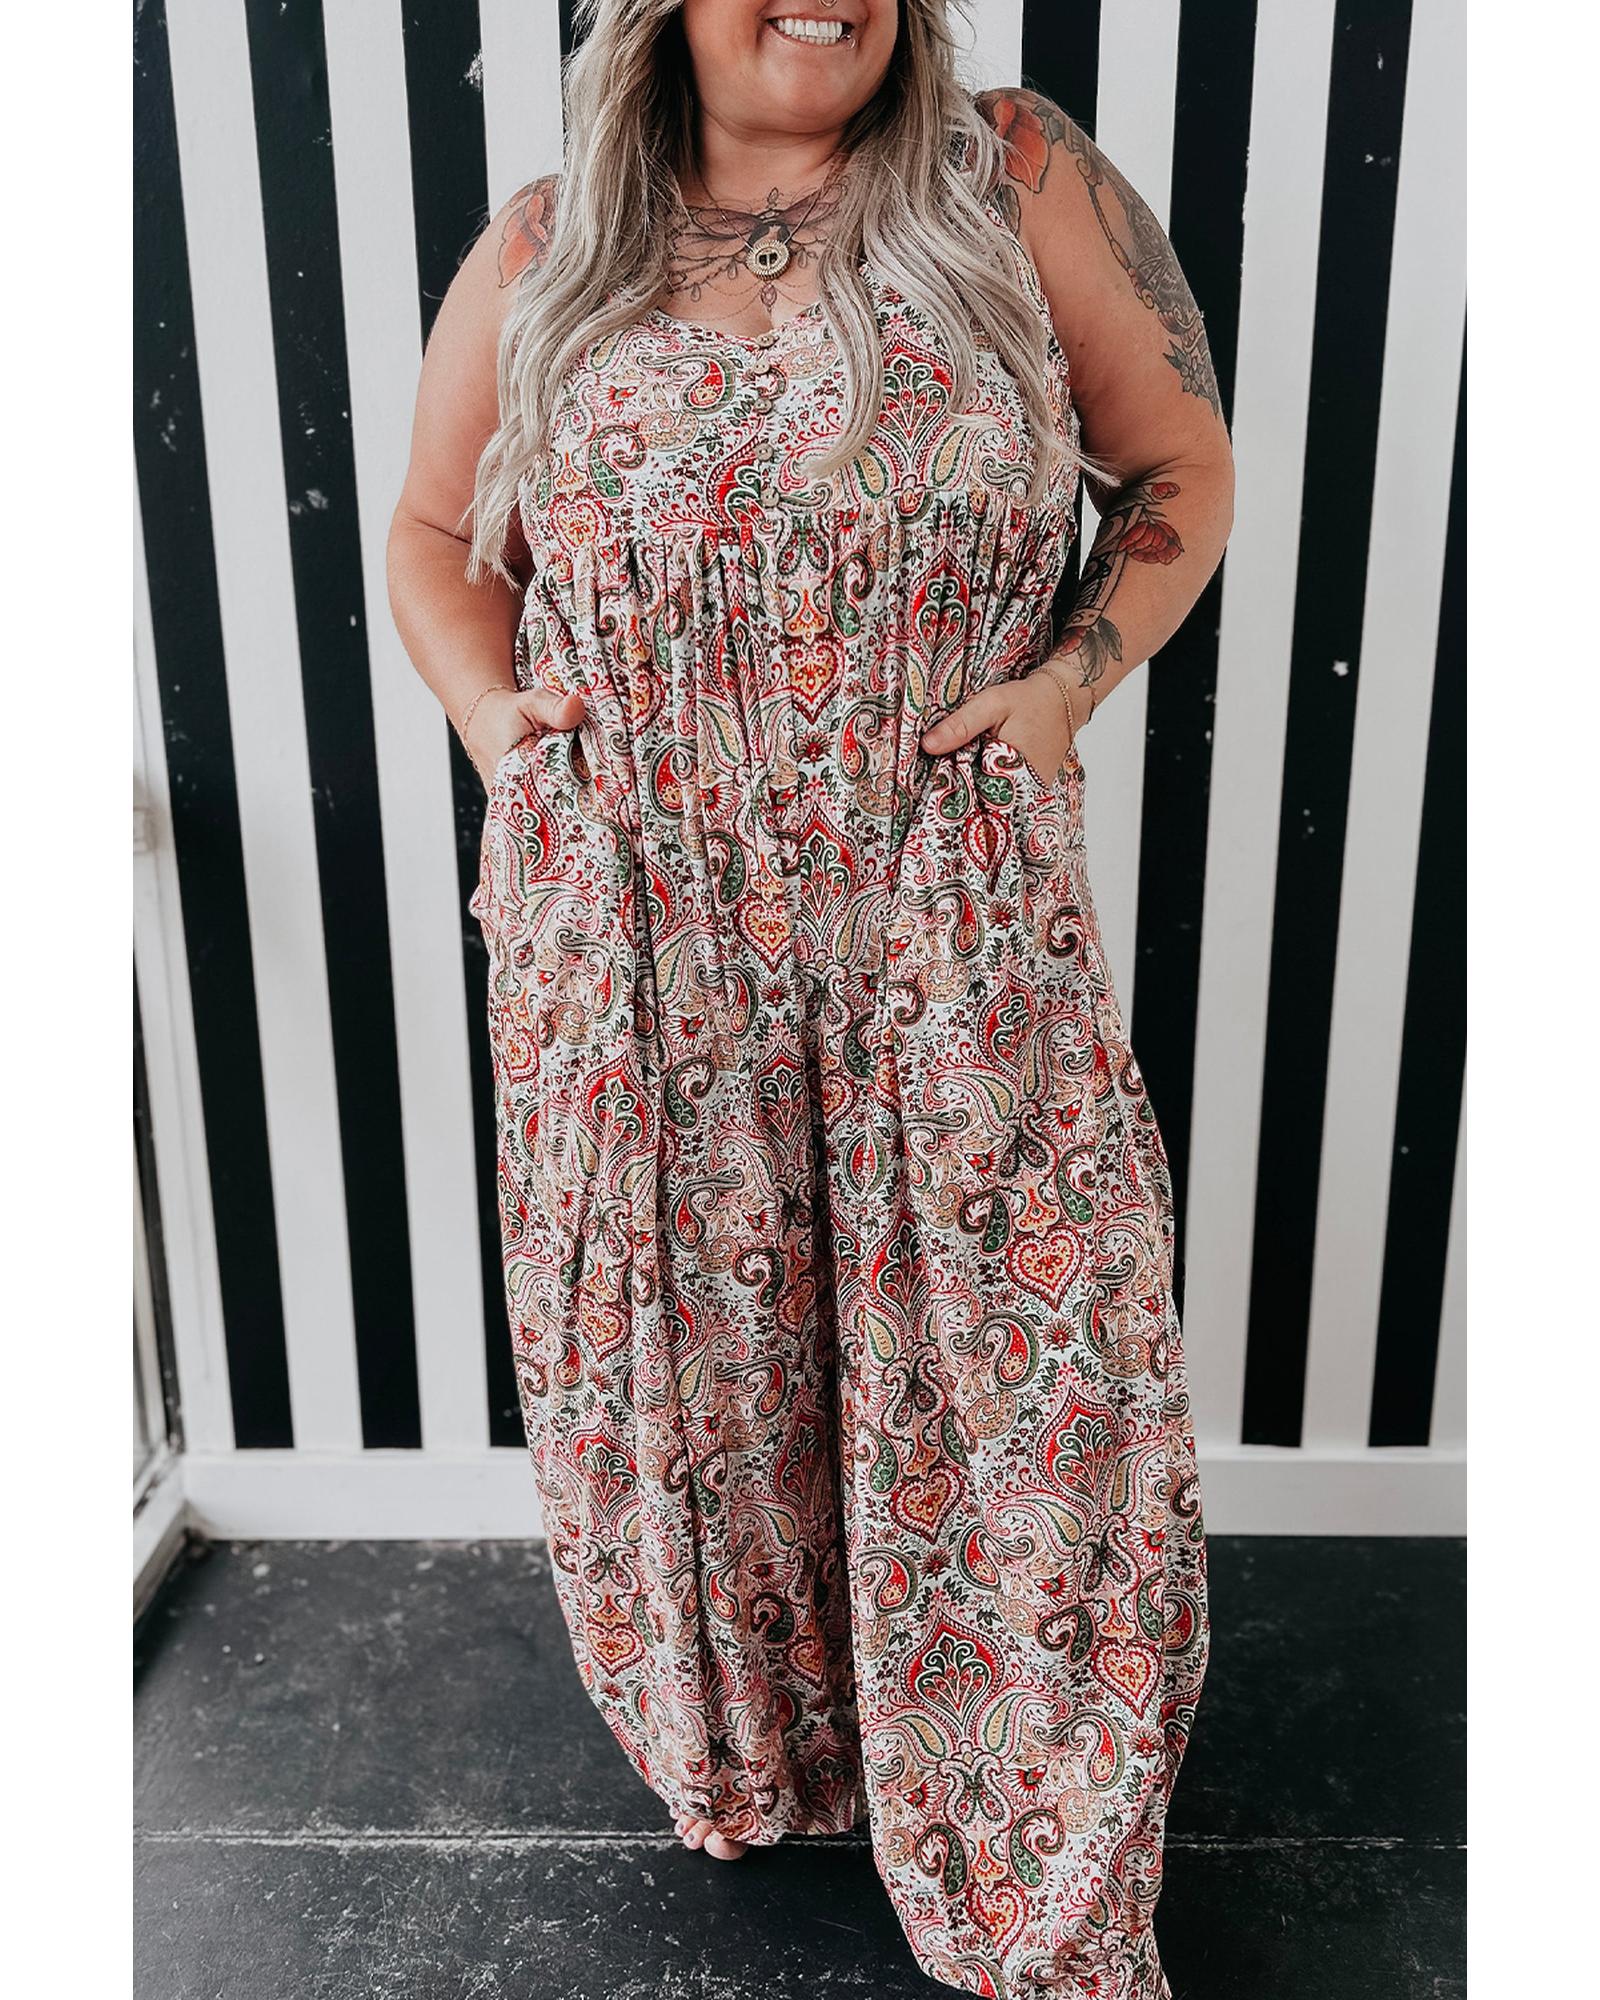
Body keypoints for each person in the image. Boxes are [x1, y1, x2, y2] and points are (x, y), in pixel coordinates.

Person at [388, 4, 1233, 1993]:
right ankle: (774, 1753)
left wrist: (1064, 683)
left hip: (943, 898)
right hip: (641, 916)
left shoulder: (1012, 175)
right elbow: (430, 533)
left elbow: (1176, 461)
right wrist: (501, 723)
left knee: (1030, 1377)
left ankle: (1040, 1853)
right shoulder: (549, 243)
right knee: (697, 1375)